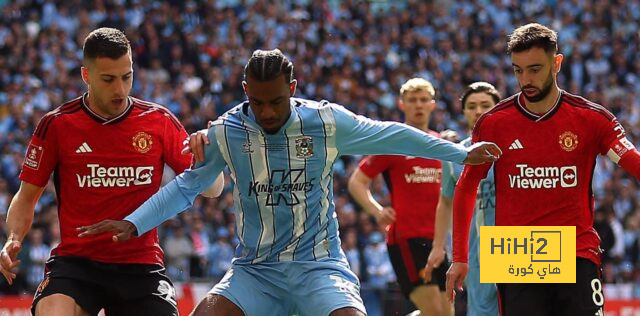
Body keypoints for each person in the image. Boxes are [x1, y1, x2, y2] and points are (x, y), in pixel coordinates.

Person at [77, 48, 501, 316]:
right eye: (256, 101)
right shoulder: (228, 131)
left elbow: (390, 132)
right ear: (245, 90)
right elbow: (188, 185)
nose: (265, 112)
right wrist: (133, 222)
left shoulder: (325, 121)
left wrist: (460, 154)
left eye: (276, 101)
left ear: (293, 88)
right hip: (255, 271)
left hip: (319, 268)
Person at [0, 27, 224, 316]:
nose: (120, 89)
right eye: (108, 79)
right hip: (77, 264)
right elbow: (27, 195)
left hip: (140, 266)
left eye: (126, 77)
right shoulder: (57, 125)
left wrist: (207, 158)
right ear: (86, 76)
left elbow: (213, 190)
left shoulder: (158, 121)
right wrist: (14, 238)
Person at [446, 23, 640, 316]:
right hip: (517, 250)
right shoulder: (494, 123)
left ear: (557, 63)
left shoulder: (591, 119)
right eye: (518, 70)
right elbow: (466, 186)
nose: (526, 79)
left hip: (575, 246)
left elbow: (633, 162)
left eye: (535, 69)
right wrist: (460, 256)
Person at [348, 78, 452, 315]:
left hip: (438, 242)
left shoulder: (441, 144)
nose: (418, 105)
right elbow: (357, 181)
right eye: (412, 100)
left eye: (424, 100)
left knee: (447, 313)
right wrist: (377, 211)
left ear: (433, 105)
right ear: (401, 104)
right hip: (407, 239)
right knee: (436, 313)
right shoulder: (394, 142)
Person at [425, 82, 501, 316]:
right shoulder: (454, 154)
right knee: (480, 311)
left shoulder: (515, 147)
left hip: (515, 242)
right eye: (472, 106)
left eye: (485, 105)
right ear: (464, 111)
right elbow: (445, 201)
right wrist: (438, 246)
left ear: (498, 108)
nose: (478, 111)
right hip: (475, 249)